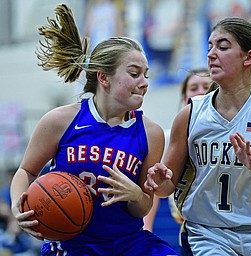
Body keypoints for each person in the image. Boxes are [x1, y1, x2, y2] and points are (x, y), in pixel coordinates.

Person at [9, 4, 178, 256]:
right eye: (134, 73)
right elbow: (26, 170)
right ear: (103, 78)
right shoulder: (60, 120)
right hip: (70, 245)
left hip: (127, 242)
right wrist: (17, 205)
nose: (143, 83)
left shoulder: (150, 133)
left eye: (146, 74)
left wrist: (135, 194)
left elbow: (143, 206)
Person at [144, 17, 251, 256]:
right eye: (210, 46)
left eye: (222, 46)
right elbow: (166, 187)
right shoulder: (190, 114)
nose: (211, 54)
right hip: (208, 234)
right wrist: (158, 181)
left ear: (248, 57)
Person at [143, 68, 215, 232]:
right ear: (185, 98)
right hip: (188, 223)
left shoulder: (229, 134)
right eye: (194, 88)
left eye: (206, 86)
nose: (200, 92)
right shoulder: (168, 137)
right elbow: (153, 186)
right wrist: (146, 229)